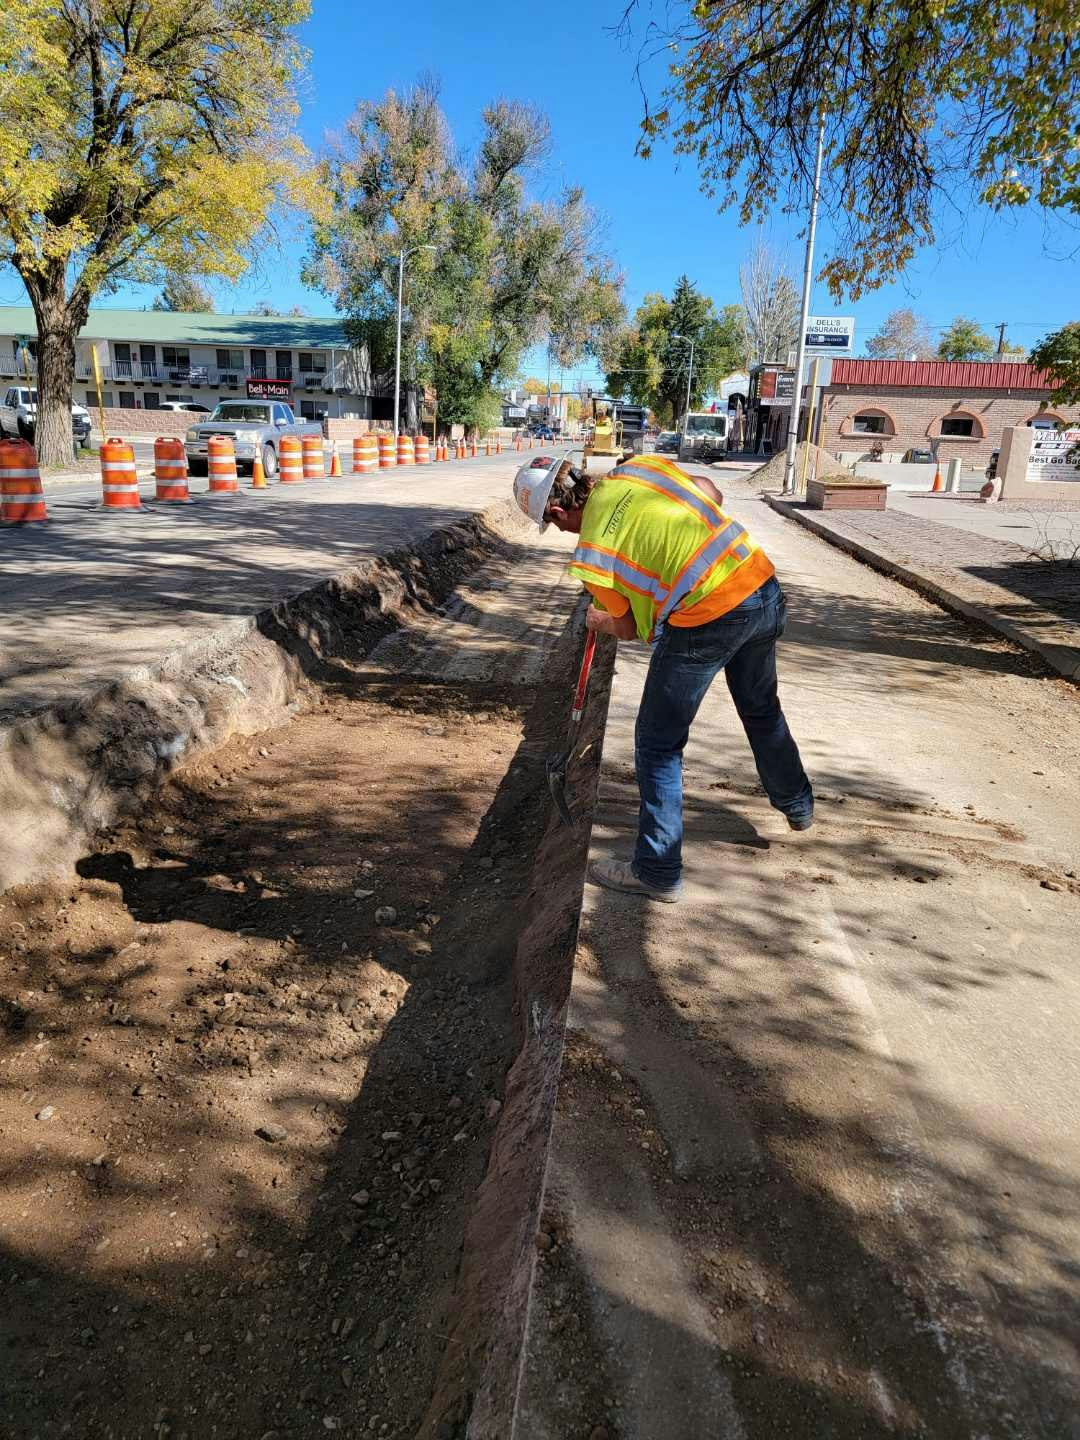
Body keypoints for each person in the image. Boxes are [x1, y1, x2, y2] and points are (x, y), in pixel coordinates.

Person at [513, 449, 813, 903]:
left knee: (657, 743)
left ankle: (656, 870)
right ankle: (797, 803)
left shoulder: (592, 556)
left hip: (706, 618)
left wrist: (597, 621)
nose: (563, 531)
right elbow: (710, 491)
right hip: (759, 586)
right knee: (760, 709)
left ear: (557, 511)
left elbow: (629, 628)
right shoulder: (638, 469)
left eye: (555, 524)